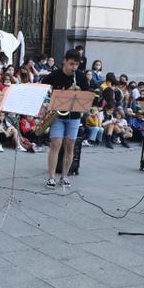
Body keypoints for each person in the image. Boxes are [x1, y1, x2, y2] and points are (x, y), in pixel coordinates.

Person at [41, 49, 90, 188]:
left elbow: (88, 96)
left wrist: (81, 94)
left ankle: (64, 176)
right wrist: (46, 102)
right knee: (55, 144)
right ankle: (51, 177)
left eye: (76, 64)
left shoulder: (80, 77)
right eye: (71, 64)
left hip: (74, 116)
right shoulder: (55, 75)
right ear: (65, 61)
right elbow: (42, 88)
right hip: (57, 115)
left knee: (70, 146)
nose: (74, 67)